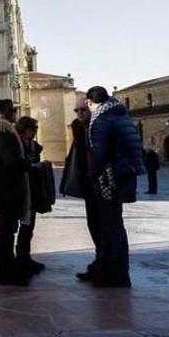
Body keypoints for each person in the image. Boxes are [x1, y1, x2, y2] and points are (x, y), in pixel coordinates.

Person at [85, 86, 145, 288]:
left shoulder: (101, 120)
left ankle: (116, 273)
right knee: (114, 224)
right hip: (122, 174)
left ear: (90, 102)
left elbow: (100, 152)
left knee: (110, 225)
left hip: (109, 177)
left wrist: (92, 173)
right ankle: (112, 269)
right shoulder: (119, 115)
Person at [0, 99, 31, 286]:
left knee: (6, 230)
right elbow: (12, 162)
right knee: (7, 231)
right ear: (3, 114)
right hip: (7, 189)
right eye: (12, 110)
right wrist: (30, 164)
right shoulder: (6, 133)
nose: (15, 113)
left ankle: (8, 270)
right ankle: (7, 273)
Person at [60, 96, 101, 281]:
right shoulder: (79, 127)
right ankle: (101, 263)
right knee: (94, 224)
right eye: (76, 111)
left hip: (102, 185)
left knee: (107, 226)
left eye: (82, 110)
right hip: (88, 185)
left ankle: (110, 268)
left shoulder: (101, 127)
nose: (78, 114)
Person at [15, 116, 47, 276]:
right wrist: (36, 166)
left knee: (29, 226)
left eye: (36, 129)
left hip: (32, 190)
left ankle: (25, 257)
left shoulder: (33, 146)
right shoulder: (18, 145)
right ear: (24, 129)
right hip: (21, 190)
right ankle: (21, 259)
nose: (35, 132)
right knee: (23, 226)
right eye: (32, 128)